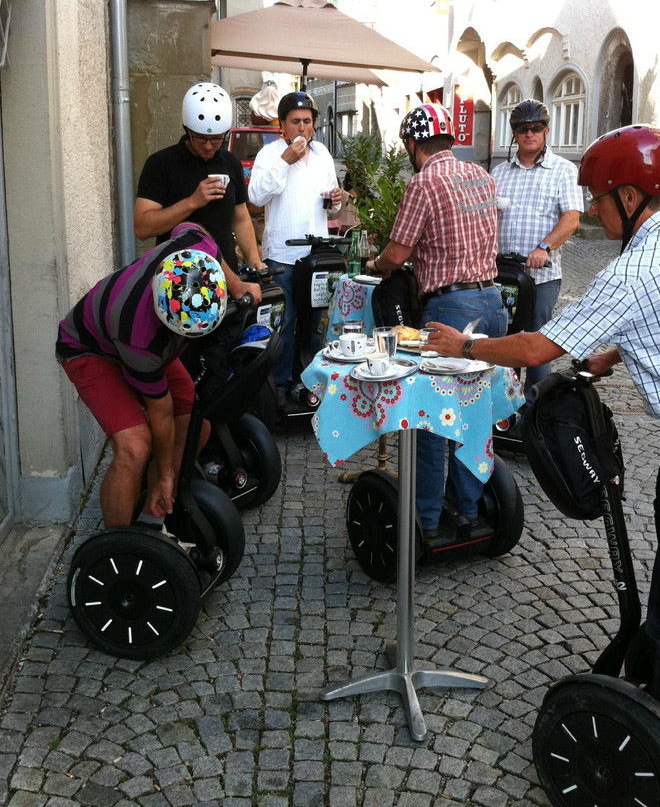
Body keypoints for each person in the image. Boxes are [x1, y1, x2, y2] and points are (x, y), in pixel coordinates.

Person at [424, 124, 660, 765]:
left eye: (596, 197)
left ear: (628, 194)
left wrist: (467, 346)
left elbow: (539, 347)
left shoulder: (637, 268)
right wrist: (621, 350)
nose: (590, 209)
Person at [365, 102, 507, 540]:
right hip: (493, 304)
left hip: (450, 309)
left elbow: (399, 252)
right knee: (474, 419)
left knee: (432, 421)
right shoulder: (483, 176)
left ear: (412, 144)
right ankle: (465, 508)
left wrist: (378, 263)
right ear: (449, 141)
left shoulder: (424, 183)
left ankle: (425, 520)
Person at [57, 223, 250, 528]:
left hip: (150, 341)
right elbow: (161, 412)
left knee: (197, 427)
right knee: (135, 446)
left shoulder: (198, 246)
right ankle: (120, 547)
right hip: (88, 349)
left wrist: (236, 282)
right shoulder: (139, 338)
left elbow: (194, 227)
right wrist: (166, 473)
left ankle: (150, 516)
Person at [247, 91, 344, 402]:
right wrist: (285, 162)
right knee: (283, 324)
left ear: (314, 125)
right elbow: (256, 198)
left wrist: (336, 199)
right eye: (295, 122)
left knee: (315, 325)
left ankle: (309, 385)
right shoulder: (270, 155)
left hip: (316, 257)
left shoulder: (323, 156)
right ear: (283, 126)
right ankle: (277, 388)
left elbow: (331, 207)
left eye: (307, 122)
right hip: (282, 256)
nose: (302, 128)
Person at [491, 99, 582, 384]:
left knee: (537, 345)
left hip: (541, 277)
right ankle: (503, 409)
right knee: (501, 343)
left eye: (536, 128)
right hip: (502, 274)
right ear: (514, 133)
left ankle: (536, 413)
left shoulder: (563, 170)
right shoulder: (499, 173)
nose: (529, 133)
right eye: (522, 129)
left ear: (546, 131)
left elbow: (571, 219)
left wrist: (544, 248)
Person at [134, 82, 265, 276]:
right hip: (176, 279)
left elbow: (241, 217)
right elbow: (142, 228)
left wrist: (254, 260)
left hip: (225, 277)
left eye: (217, 139)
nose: (209, 147)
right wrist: (192, 202)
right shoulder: (161, 163)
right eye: (200, 138)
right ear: (187, 130)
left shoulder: (231, 163)